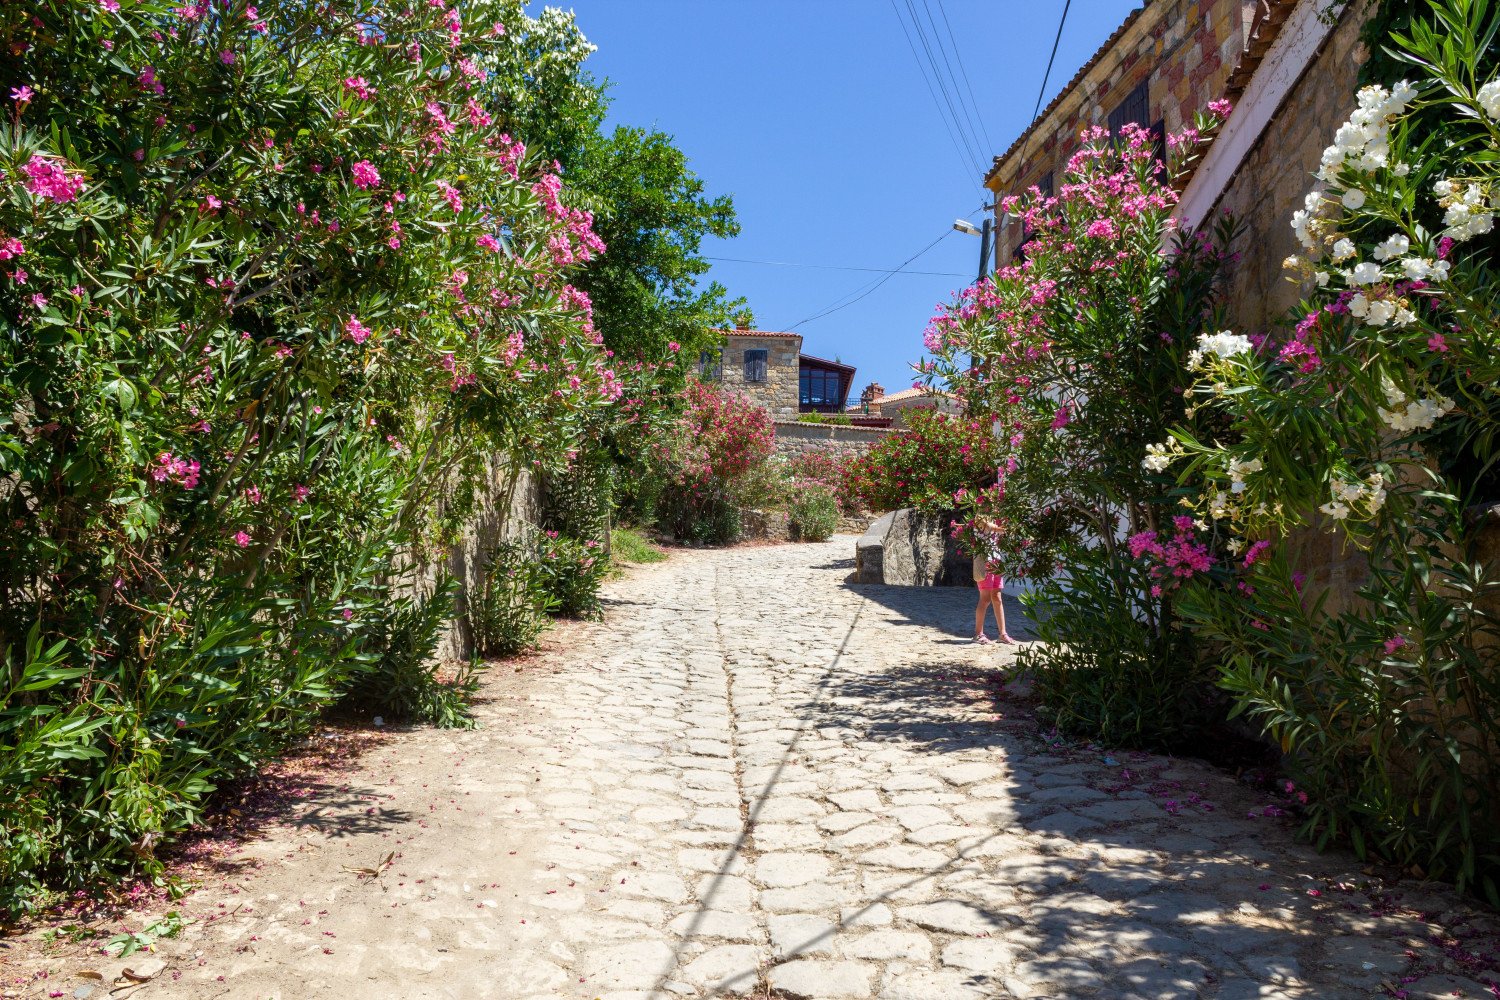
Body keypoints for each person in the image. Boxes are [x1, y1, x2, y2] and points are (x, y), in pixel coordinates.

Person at [971, 517, 1014, 645]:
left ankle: (1003, 634)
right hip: (985, 563)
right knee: (985, 599)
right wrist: (1011, 528)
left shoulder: (996, 517)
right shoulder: (980, 518)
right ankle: (978, 634)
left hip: (996, 561)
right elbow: (991, 527)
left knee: (997, 598)